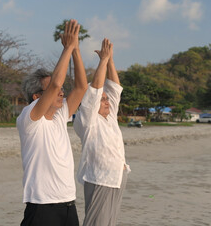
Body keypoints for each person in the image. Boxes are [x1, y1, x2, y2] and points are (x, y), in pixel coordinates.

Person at [17, 19, 88, 226]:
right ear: (37, 97)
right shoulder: (29, 119)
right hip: (41, 207)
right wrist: (66, 48)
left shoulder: (59, 117)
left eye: (61, 91)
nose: (61, 92)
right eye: (54, 92)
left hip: (68, 205)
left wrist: (75, 49)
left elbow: (82, 87)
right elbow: (57, 82)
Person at [74, 38, 130, 226]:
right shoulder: (87, 119)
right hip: (100, 178)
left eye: (107, 100)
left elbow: (115, 89)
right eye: (102, 99)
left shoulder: (110, 117)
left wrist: (111, 61)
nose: (106, 101)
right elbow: (95, 90)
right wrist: (103, 61)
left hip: (117, 177)